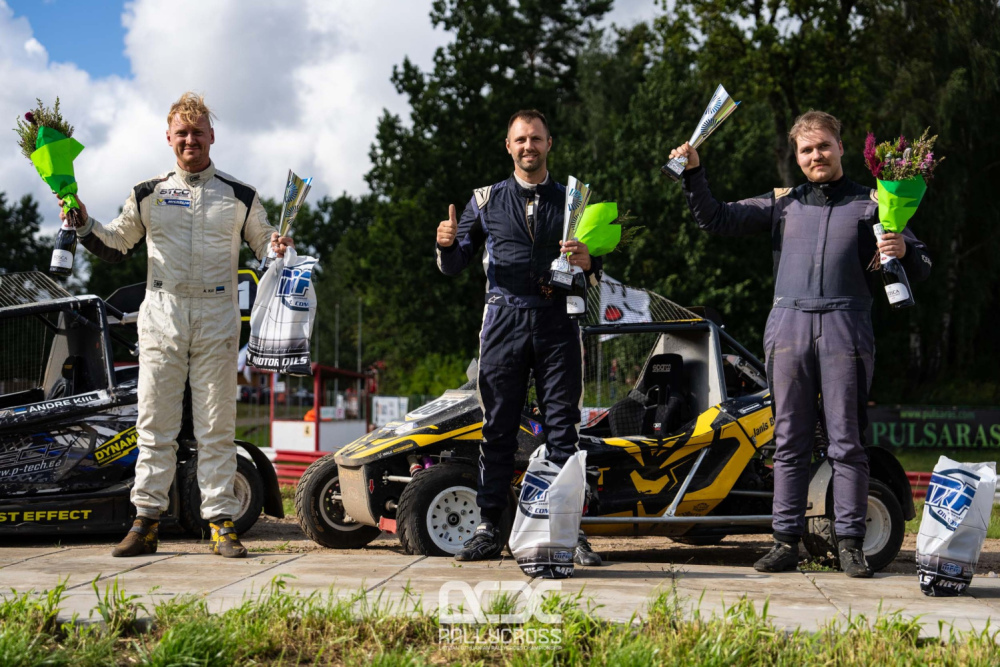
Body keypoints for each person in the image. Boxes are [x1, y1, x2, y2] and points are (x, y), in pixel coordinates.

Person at [669, 110, 931, 577]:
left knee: (846, 442)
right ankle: (784, 542)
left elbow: (923, 266)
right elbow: (715, 218)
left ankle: (849, 544)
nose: (816, 156)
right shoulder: (781, 203)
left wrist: (905, 249)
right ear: (797, 156)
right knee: (789, 440)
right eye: (807, 150)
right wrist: (694, 174)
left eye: (824, 146)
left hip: (846, 324)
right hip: (788, 325)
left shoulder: (875, 203)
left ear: (841, 147)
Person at [65, 92, 293, 558]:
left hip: (218, 316)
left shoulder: (240, 195)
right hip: (162, 313)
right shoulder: (147, 192)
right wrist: (85, 223)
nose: (191, 140)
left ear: (213, 136)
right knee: (155, 423)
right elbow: (116, 244)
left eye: (198, 132)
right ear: (168, 138)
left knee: (216, 425)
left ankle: (222, 522)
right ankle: (146, 521)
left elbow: (263, 243)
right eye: (182, 133)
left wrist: (277, 246)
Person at [435, 109, 603, 566]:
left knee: (563, 430)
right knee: (498, 429)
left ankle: (568, 531)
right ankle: (489, 527)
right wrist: (445, 244)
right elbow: (455, 264)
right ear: (508, 146)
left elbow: (594, 267)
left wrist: (590, 262)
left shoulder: (574, 199)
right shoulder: (484, 199)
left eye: (536, 138)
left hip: (558, 321)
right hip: (503, 321)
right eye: (521, 139)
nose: (529, 146)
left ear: (550, 144)